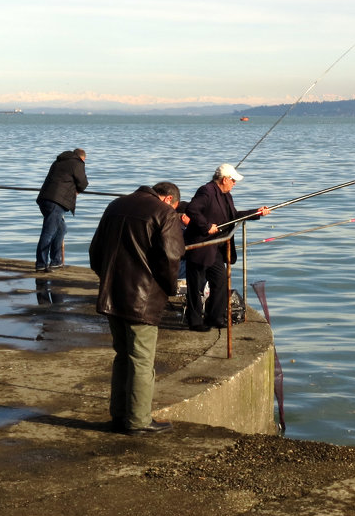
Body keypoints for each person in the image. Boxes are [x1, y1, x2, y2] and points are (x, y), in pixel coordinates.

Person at [89, 181, 185, 435]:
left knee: (122, 356)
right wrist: (169, 288)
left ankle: (120, 415)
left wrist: (106, 279)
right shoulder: (164, 214)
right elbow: (171, 256)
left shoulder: (115, 205)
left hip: (112, 294)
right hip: (143, 299)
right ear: (168, 200)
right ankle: (139, 420)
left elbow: (95, 251)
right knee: (142, 361)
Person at [183, 164, 270, 332]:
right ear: (224, 179)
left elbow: (234, 216)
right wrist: (206, 225)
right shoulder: (206, 191)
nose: (234, 184)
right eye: (233, 180)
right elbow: (192, 209)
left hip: (217, 246)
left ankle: (214, 316)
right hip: (200, 245)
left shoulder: (226, 195)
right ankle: (194, 322)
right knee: (195, 284)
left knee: (220, 281)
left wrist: (256, 213)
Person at [35, 148, 88, 272]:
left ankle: (56, 261)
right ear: (82, 158)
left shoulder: (58, 161)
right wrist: (77, 190)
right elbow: (83, 182)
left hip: (45, 198)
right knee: (49, 232)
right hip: (57, 201)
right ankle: (41, 264)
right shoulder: (77, 163)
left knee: (61, 229)